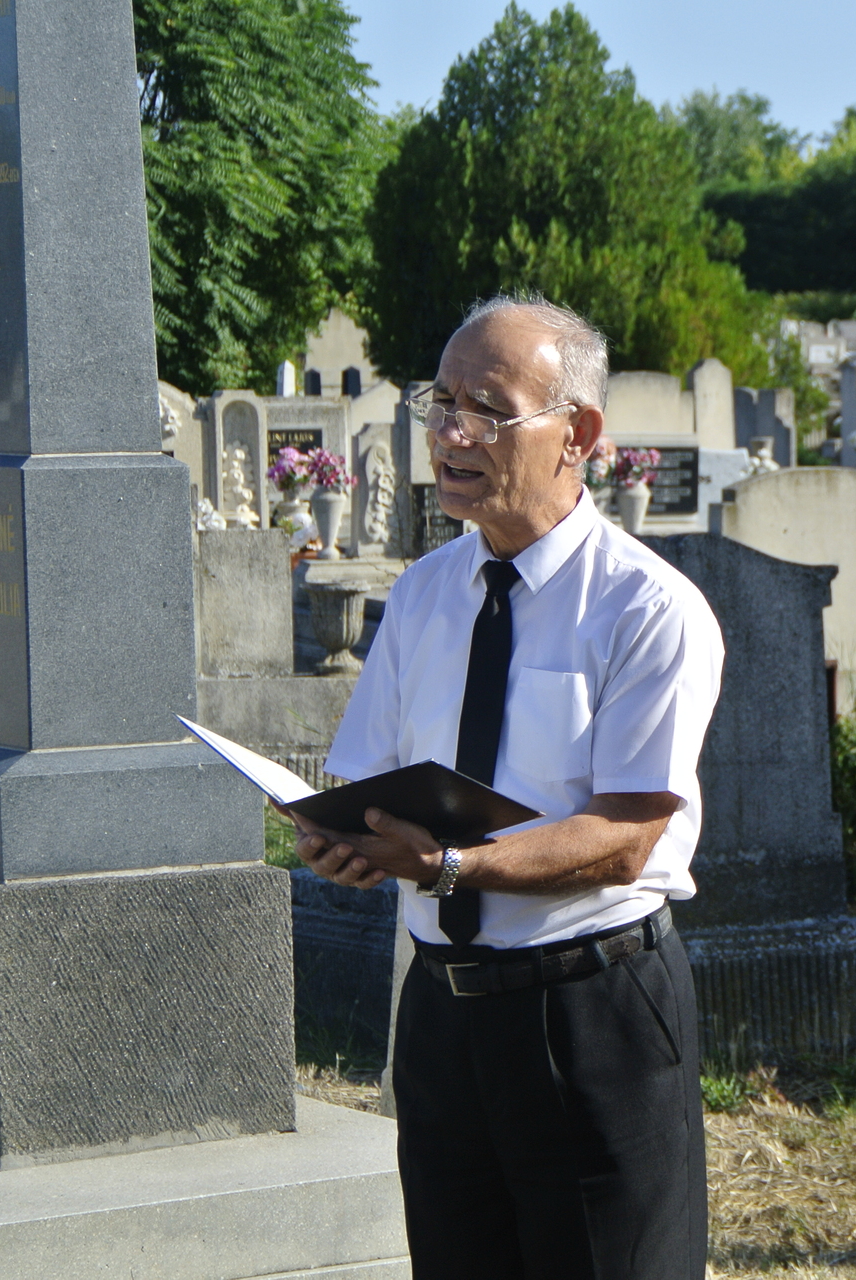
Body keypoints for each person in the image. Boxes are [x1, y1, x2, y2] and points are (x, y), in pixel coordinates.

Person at [291, 295, 724, 1280]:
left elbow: (625, 835)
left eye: (486, 409)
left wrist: (447, 866)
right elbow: (372, 779)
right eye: (441, 403)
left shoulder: (646, 608)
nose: (451, 434)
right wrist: (342, 838)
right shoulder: (423, 593)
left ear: (578, 434)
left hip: (589, 1010)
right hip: (441, 1013)